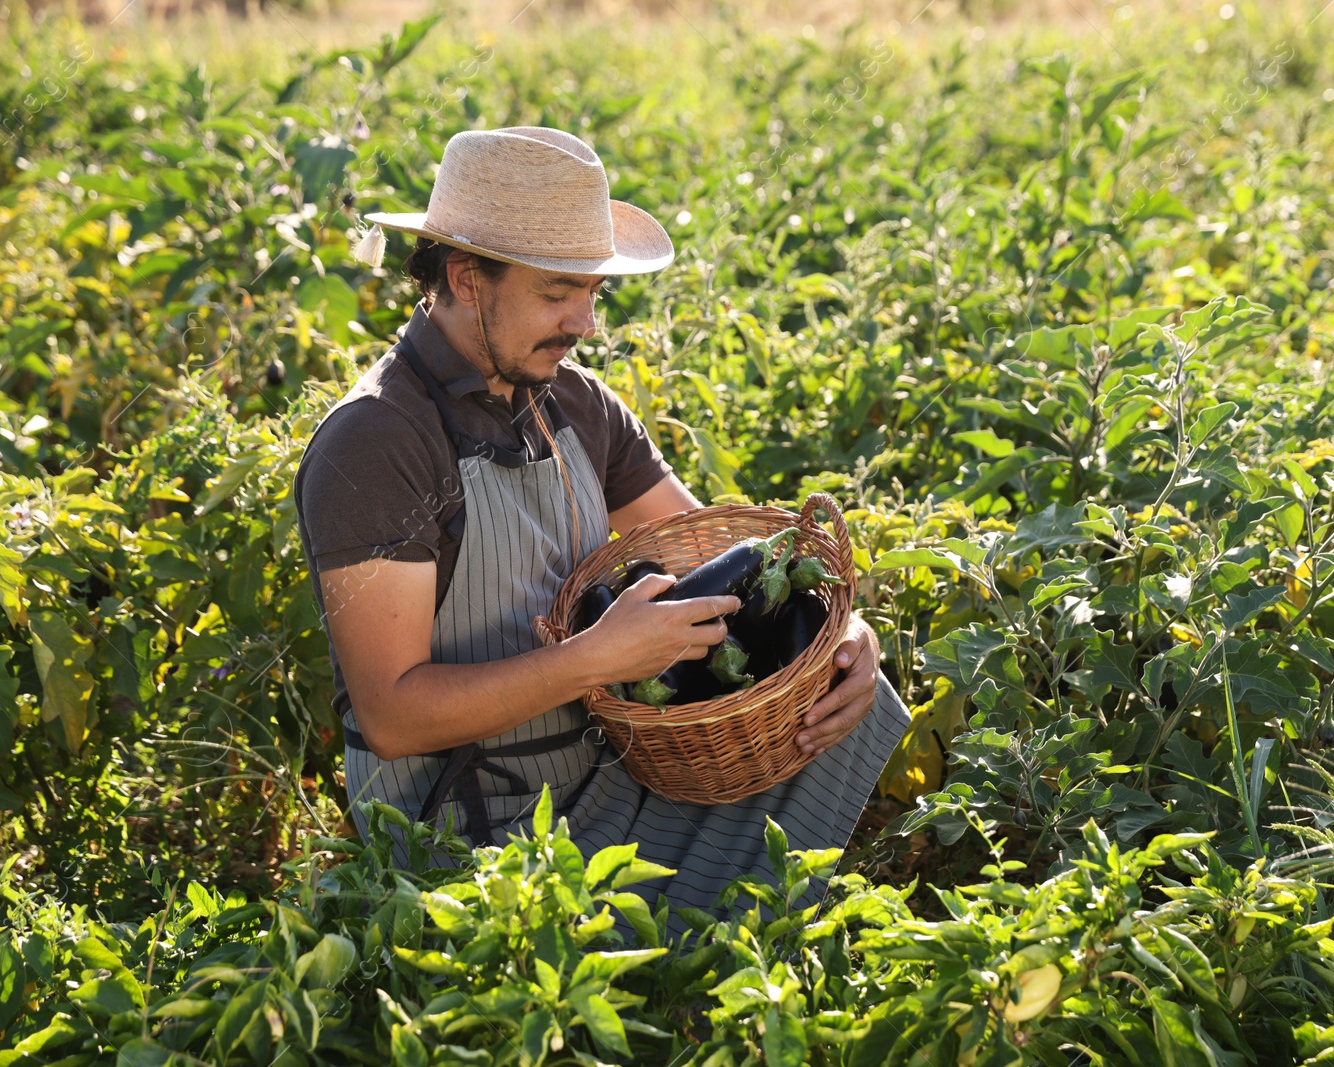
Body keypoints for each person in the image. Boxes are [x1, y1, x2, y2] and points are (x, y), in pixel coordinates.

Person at [292, 125, 912, 939]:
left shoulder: (574, 404)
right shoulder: (377, 442)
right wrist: (593, 659)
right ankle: (701, 971)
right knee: (694, 949)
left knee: (849, 697)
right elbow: (394, 717)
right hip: (471, 836)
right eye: (557, 292)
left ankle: (719, 958)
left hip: (597, 775)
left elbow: (731, 559)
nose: (584, 320)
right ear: (467, 279)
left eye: (594, 291)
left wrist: (843, 632)